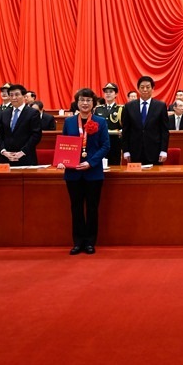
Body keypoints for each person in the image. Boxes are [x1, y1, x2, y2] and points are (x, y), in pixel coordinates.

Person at [58, 88, 110, 255]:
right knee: (76, 208)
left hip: (93, 172)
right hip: (73, 173)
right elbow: (64, 144)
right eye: (82, 100)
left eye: (88, 100)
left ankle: (90, 242)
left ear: (93, 103)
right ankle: (78, 242)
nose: (85, 103)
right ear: (77, 102)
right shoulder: (69, 122)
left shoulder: (101, 122)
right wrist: (62, 161)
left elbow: (105, 146)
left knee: (92, 208)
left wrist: (91, 162)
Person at [121, 76, 169, 164]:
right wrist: (126, 150)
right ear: (138, 89)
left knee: (154, 173)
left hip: (155, 151)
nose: (145, 89)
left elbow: (164, 130)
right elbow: (126, 130)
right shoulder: (129, 106)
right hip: (134, 151)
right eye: (142, 87)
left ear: (153, 89)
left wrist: (163, 150)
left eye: (148, 87)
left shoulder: (161, 106)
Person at [0, 84, 42, 166]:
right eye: (11, 95)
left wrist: (22, 152)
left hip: (26, 158)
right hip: (6, 158)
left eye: (17, 95)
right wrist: (4, 151)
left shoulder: (32, 113)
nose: (13, 98)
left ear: (24, 96)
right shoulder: (4, 113)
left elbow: (36, 135)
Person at [94, 83, 123, 165]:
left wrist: (121, 131)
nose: (108, 94)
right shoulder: (98, 109)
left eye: (111, 91)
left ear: (116, 94)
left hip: (115, 141)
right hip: (101, 141)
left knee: (115, 164)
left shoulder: (121, 109)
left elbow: (125, 125)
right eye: (106, 92)